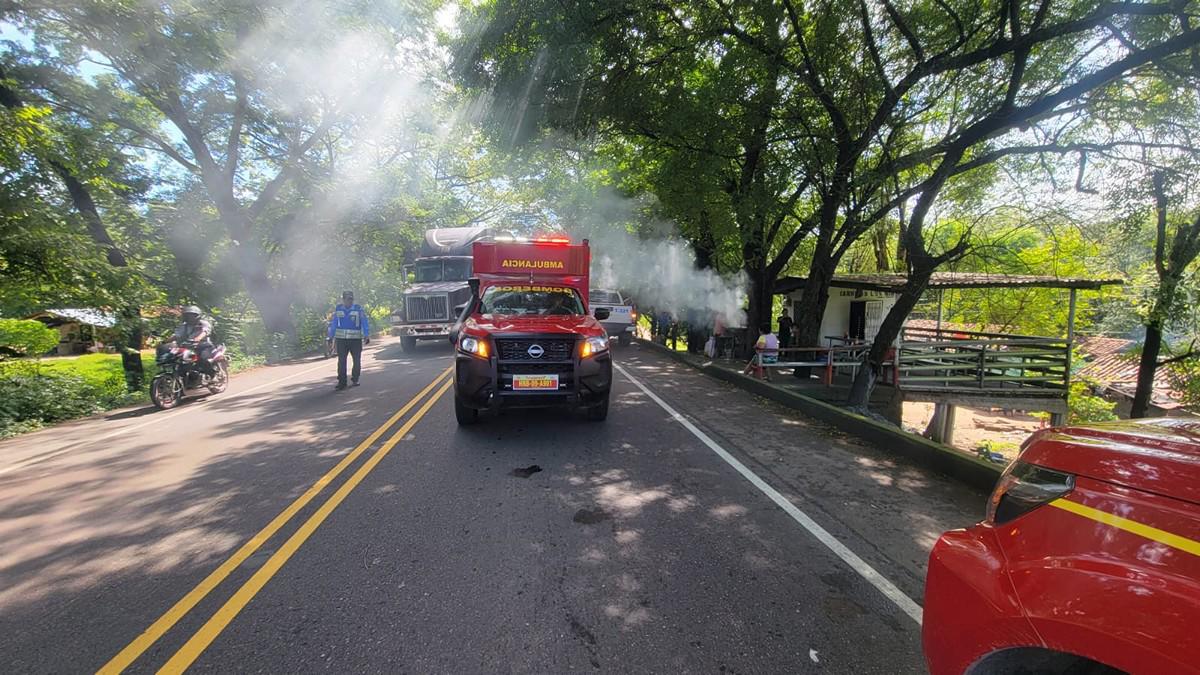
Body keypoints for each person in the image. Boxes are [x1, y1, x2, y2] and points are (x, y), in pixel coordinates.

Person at [327, 290, 370, 390]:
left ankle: (355, 379)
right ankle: (342, 382)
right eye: (347, 299)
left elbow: (364, 321)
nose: (349, 301)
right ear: (343, 300)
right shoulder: (338, 309)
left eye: (351, 299)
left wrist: (366, 334)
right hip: (342, 340)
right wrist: (331, 336)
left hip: (355, 340)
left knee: (356, 360)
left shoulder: (358, 309)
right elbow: (334, 323)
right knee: (341, 361)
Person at [171, 305, 215, 373]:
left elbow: (205, 332)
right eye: (188, 315)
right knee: (178, 360)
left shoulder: (203, 323)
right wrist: (165, 341)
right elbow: (177, 335)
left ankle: (212, 374)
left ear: (197, 316)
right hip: (188, 346)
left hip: (203, 345)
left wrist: (197, 338)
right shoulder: (184, 326)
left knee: (204, 359)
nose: (190, 317)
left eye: (192, 315)